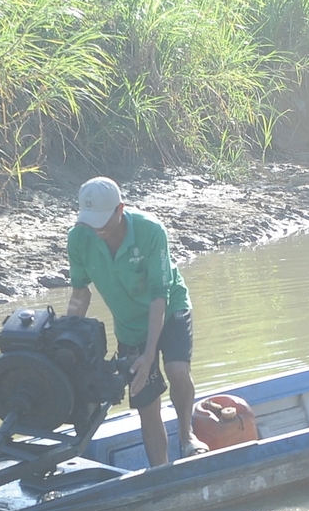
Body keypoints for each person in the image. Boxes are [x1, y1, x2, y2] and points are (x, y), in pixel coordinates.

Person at [65, 177, 205, 466]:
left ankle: (186, 434)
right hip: (129, 324)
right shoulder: (79, 237)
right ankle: (160, 471)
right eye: (91, 222)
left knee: (177, 369)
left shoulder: (149, 230)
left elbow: (159, 294)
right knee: (144, 397)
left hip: (169, 305)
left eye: (103, 221)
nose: (97, 229)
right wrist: (67, 340)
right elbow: (80, 292)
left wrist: (150, 351)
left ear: (120, 209)